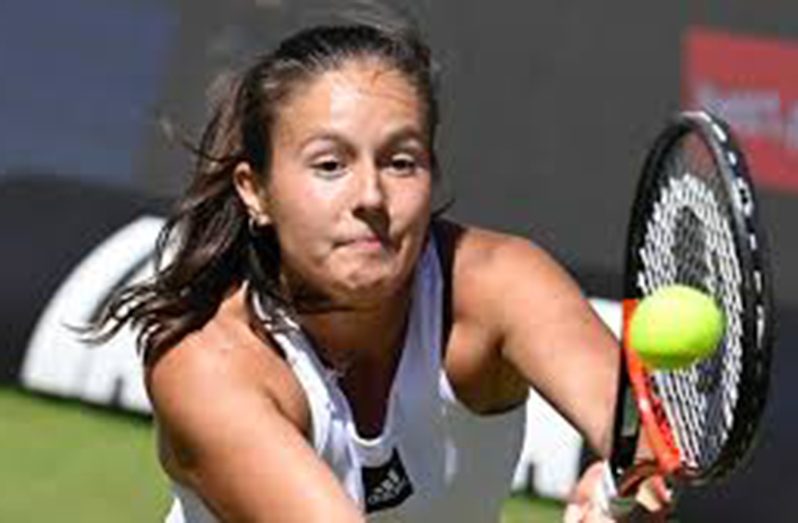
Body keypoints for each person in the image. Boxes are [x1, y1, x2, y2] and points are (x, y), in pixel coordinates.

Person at [96, 18, 669, 523]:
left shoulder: (499, 283)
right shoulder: (206, 365)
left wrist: (625, 484)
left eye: (401, 162)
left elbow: (634, 437)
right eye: (329, 164)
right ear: (256, 192)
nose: (370, 194)